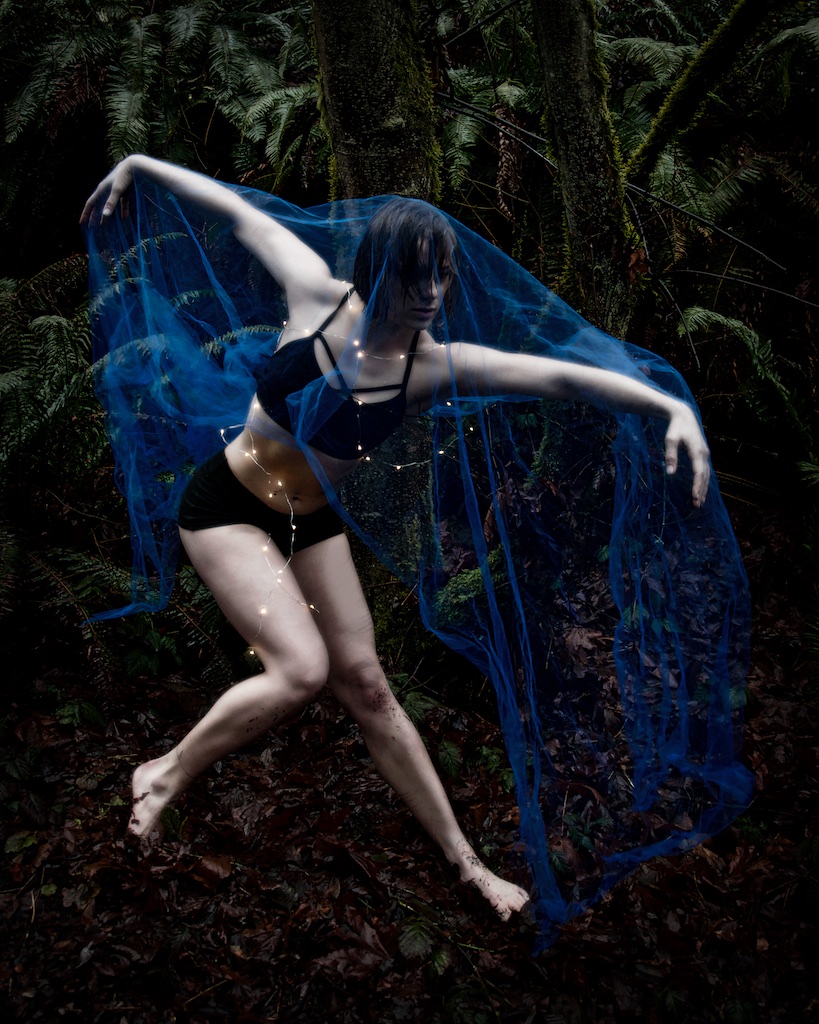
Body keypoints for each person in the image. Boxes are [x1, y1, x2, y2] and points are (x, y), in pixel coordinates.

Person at [82, 155, 747, 935]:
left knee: (368, 687)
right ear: (379, 271)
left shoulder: (432, 369)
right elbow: (237, 211)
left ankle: (467, 864)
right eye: (413, 275)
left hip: (309, 522)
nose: (430, 292)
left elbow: (561, 376)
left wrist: (668, 407)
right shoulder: (315, 294)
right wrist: (139, 165)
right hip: (227, 508)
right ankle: (163, 774)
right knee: (302, 673)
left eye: (440, 275)